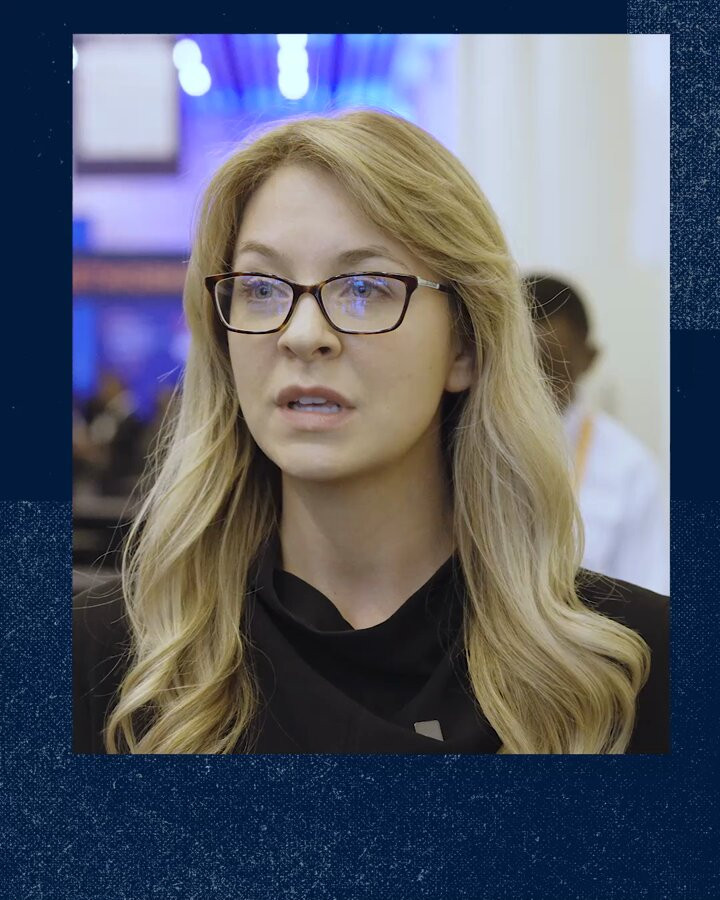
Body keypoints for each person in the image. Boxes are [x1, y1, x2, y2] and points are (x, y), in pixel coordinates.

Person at [74, 111, 668, 755]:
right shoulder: (110, 661)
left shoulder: (630, 672)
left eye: (365, 287)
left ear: (465, 345)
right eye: (262, 288)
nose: (303, 334)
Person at [525, 274, 669, 594]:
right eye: (520, 367)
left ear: (589, 359)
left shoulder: (629, 468)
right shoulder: (460, 446)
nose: (534, 385)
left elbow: (650, 594)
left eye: (551, 369)